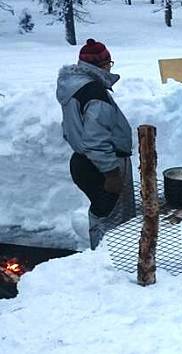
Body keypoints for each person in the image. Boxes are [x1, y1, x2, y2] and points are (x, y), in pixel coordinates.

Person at [56, 38, 135, 250]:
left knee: (103, 212)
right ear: (102, 66)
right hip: (101, 166)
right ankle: (108, 262)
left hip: (85, 162)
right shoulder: (93, 92)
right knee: (112, 220)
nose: (110, 67)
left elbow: (70, 128)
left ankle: (104, 257)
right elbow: (95, 140)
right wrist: (111, 173)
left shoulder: (74, 87)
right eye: (109, 63)